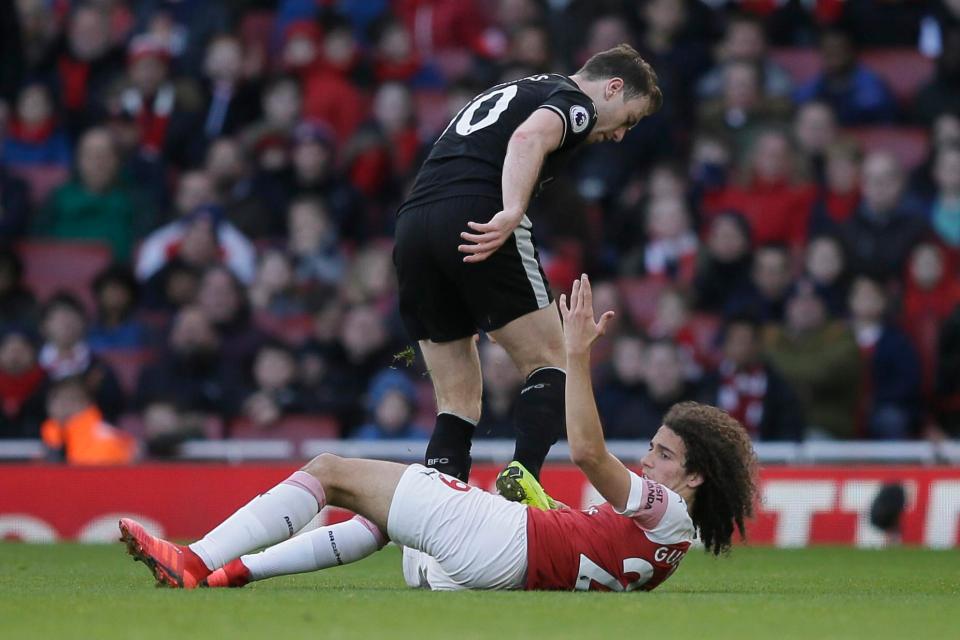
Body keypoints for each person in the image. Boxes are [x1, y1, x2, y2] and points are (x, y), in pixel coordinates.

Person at [119, 274, 758, 593]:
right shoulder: (673, 547)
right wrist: (549, 508)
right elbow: (588, 551)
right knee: (379, 517)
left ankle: (195, 559)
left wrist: (576, 354)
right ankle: (229, 574)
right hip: (494, 568)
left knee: (328, 470)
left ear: (695, 476)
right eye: (652, 447)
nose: (648, 460)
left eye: (663, 453)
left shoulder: (667, 510)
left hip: (495, 542)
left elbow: (588, 451)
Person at [392, 44, 662, 508]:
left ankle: (437, 510)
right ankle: (524, 479)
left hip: (412, 226)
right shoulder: (574, 100)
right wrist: (512, 209)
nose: (620, 135)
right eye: (629, 119)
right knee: (555, 357)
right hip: (477, 210)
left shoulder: (520, 87)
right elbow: (527, 139)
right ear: (613, 88)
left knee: (457, 398)